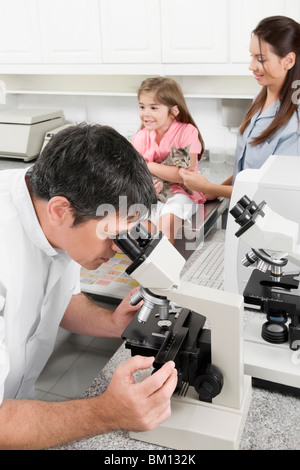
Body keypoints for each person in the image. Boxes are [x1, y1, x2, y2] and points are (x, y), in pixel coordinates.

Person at [0, 124, 178, 450]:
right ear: (60, 211)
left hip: (16, 407)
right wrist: (106, 413)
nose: (117, 249)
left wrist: (113, 323)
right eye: (112, 235)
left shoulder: (57, 204)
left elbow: (56, 298)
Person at [180, 16, 300, 200]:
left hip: (266, 221)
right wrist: (215, 189)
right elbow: (247, 171)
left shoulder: (295, 123)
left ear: (288, 60)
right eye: (251, 56)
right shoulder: (259, 99)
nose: (251, 66)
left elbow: (272, 192)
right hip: (240, 210)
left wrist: (210, 187)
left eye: (260, 59)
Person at [132, 76, 206, 244]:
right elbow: (136, 175)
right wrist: (148, 184)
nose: (146, 113)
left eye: (154, 107)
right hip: (154, 195)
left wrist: (148, 165)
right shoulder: (141, 137)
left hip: (181, 193)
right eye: (142, 107)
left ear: (174, 110)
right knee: (141, 229)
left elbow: (183, 176)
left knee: (168, 219)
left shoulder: (186, 131)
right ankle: (150, 265)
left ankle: (164, 265)